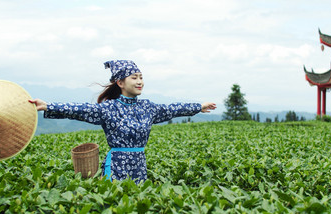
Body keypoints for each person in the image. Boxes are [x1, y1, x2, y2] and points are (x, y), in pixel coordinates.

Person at [29, 60, 216, 184]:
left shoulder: (148, 107)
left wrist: (199, 106)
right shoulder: (109, 108)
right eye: (134, 77)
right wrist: (48, 106)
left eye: (141, 77)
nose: (140, 81)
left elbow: (173, 109)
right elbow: (79, 110)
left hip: (140, 165)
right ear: (120, 83)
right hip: (117, 165)